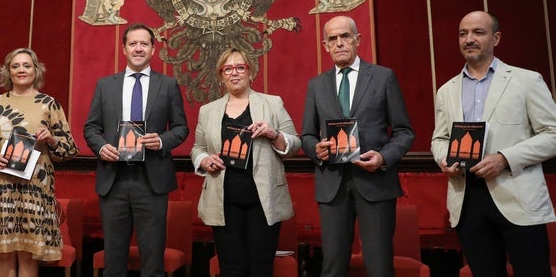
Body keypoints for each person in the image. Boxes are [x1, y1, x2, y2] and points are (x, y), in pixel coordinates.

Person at [431, 11, 556, 276]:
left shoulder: (526, 80)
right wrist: (444, 158)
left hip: (517, 195)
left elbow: (553, 133)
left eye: (478, 32)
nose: (469, 39)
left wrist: (504, 158)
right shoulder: (446, 90)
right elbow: (440, 138)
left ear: (496, 38)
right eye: (463, 33)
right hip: (467, 199)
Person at [300, 15, 415, 277]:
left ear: (357, 40)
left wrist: (384, 157)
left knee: (379, 266)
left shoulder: (383, 77)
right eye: (332, 39)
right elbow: (306, 135)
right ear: (325, 45)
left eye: (345, 36)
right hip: (332, 186)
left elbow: (404, 132)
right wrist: (315, 149)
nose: (339, 43)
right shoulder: (316, 85)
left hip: (375, 184)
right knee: (333, 266)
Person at [84, 23, 189, 277]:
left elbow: (181, 128)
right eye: (133, 44)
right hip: (114, 178)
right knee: (114, 261)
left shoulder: (167, 85)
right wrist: (101, 147)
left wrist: (161, 141)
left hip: (151, 180)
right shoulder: (105, 85)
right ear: (124, 49)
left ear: (153, 49)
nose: (138, 48)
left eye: (144, 43)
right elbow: (91, 128)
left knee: (153, 261)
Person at [0, 47, 79, 276]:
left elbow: (70, 149)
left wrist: (52, 140)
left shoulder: (49, 104)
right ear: (8, 71)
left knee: (28, 255)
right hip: (1, 190)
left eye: (27, 65)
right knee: (4, 253)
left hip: (35, 190)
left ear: (36, 70)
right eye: (15, 66)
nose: (21, 70)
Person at [191, 47, 302, 276]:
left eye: (240, 67)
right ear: (221, 76)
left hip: (263, 199)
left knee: (261, 267)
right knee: (232, 268)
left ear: (250, 72)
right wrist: (203, 160)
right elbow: (198, 148)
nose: (234, 73)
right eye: (228, 68)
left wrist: (273, 134)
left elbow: (295, 144)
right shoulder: (208, 111)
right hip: (224, 200)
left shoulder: (272, 103)